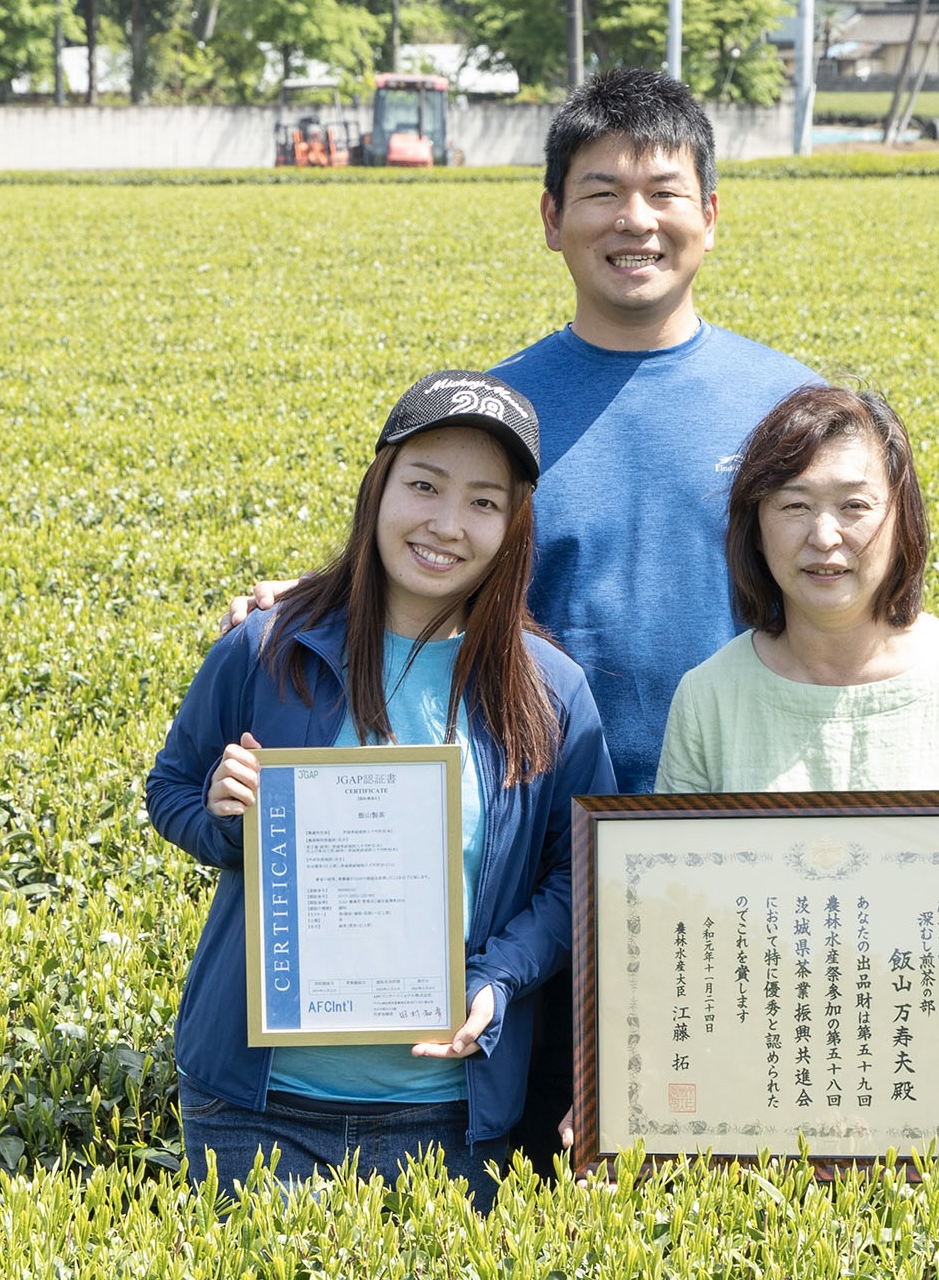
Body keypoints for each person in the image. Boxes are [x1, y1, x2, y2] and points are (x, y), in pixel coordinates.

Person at [224, 69, 816, 1167]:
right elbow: (424, 570)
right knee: (536, 1173)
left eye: (662, 191)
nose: (632, 220)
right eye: (598, 191)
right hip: (533, 889)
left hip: (735, 877)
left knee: (729, 1193)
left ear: (711, 216)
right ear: (549, 218)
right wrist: (307, 596)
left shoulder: (789, 410)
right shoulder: (501, 417)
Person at [148, 371, 615, 1210]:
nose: (445, 523)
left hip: (450, 1116)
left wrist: (498, 976)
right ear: (379, 489)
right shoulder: (265, 650)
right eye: (424, 486)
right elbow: (170, 788)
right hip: (255, 1109)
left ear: (514, 526)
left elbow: (577, 875)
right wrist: (223, 814)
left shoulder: (550, 690)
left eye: (482, 501)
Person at [656, 384, 939, 1140]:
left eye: (854, 505)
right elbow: (674, 915)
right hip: (762, 1084)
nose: (823, 536)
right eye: (792, 505)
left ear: (900, 518)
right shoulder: (709, 697)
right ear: (754, 526)